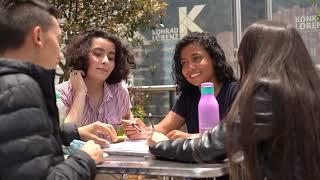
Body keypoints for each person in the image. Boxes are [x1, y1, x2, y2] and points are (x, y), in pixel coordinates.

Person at [148, 21, 320, 180]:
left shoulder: (265, 92)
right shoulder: (309, 90)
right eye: (183, 62)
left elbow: (210, 147)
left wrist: (162, 145)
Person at [0, 0, 117, 179]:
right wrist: (85, 159)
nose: (60, 53)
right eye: (58, 39)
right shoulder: (19, 89)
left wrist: (72, 133)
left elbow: (17, 145)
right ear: (38, 36)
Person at [123, 32, 238, 140]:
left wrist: (190, 137)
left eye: (196, 58)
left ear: (214, 59)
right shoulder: (189, 97)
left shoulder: (237, 92)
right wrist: (142, 131)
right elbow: (162, 129)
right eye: (184, 62)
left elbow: (237, 134)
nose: (190, 67)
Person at [55, 29, 136, 131]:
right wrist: (80, 93)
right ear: (82, 55)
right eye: (98, 54)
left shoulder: (119, 92)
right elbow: (65, 136)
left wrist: (134, 130)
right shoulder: (61, 94)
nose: (105, 61)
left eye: (111, 58)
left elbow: (128, 118)